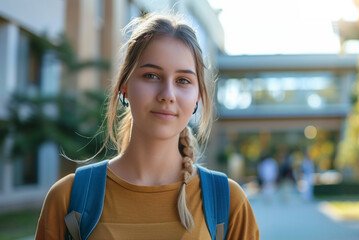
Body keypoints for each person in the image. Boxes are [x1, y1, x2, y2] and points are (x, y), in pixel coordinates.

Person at [35, 13, 259, 239]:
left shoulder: (229, 203)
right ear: (124, 86)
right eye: (151, 75)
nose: (167, 95)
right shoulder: (68, 198)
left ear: (198, 97)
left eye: (183, 80)